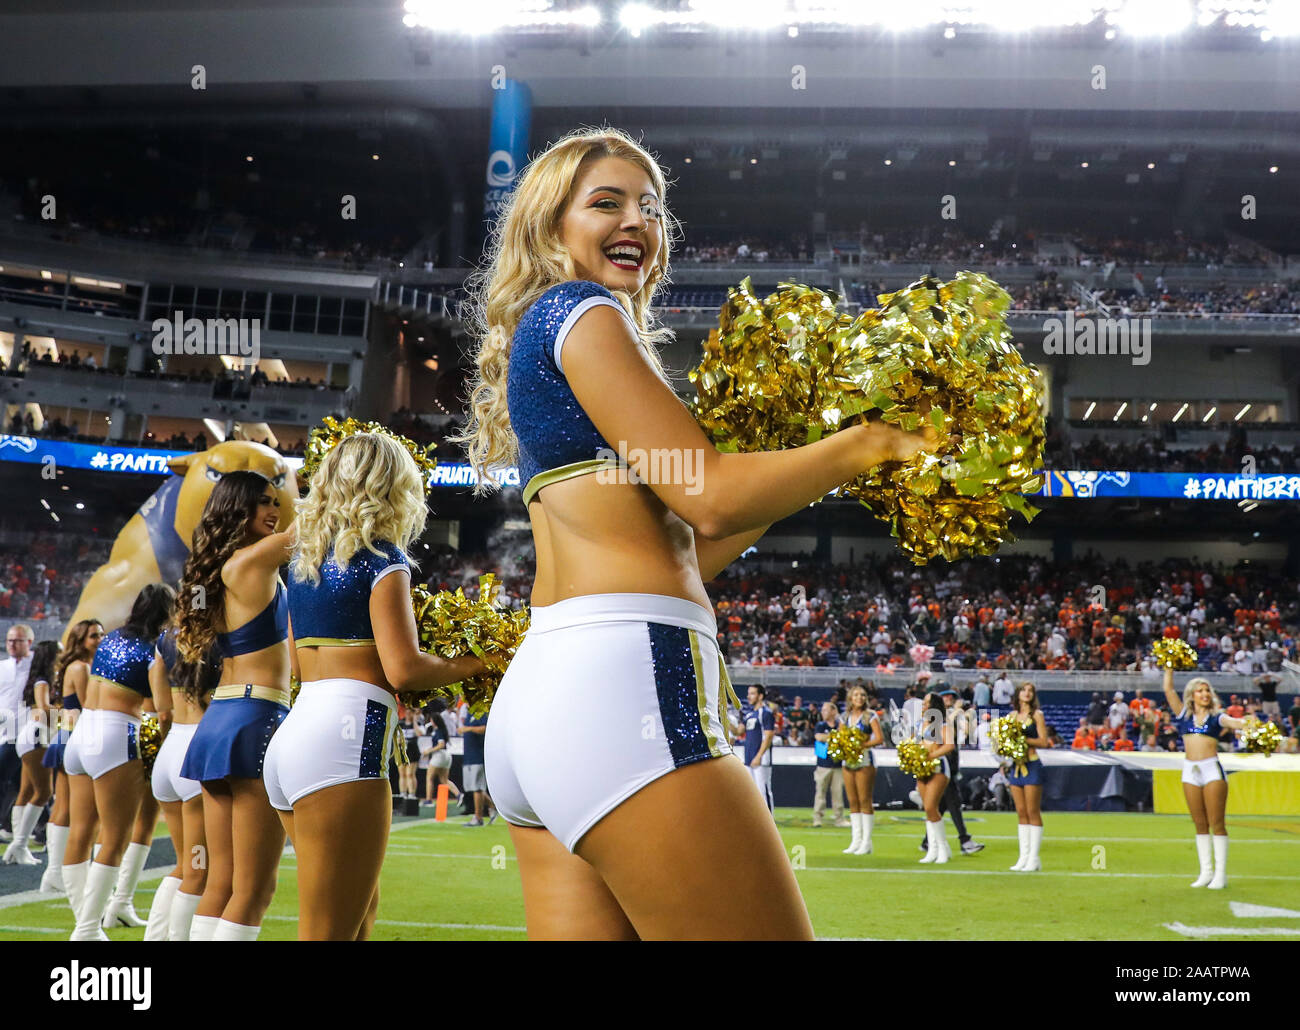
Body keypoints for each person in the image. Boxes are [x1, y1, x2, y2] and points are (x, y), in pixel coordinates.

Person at [453, 127, 938, 938]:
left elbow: (690, 544)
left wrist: (789, 470)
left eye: (651, 206)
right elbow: (709, 495)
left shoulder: (549, 330)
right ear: (549, 228)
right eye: (604, 203)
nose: (636, 220)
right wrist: (871, 441)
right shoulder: (583, 311)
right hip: (625, 686)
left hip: (544, 702)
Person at [264, 433, 483, 940]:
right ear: (394, 486)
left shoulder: (303, 563)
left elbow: (298, 666)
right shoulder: (385, 560)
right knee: (330, 930)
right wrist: (471, 665)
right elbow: (404, 670)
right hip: (344, 744)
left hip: (295, 738)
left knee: (359, 915)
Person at [177, 470, 294, 941]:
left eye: (275, 501)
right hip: (255, 719)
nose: (276, 509)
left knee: (221, 884)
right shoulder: (251, 562)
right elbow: (321, 523)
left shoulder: (224, 568)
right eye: (263, 502)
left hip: (220, 721)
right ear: (236, 510)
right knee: (254, 890)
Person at [70, 583, 175, 940]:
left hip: (84, 730)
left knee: (82, 832)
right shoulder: (154, 649)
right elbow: (162, 711)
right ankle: (86, 929)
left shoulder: (111, 637)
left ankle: (88, 923)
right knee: (115, 837)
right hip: (117, 733)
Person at [141, 625, 215, 941]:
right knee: (199, 872)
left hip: (169, 754)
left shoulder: (164, 638)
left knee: (184, 866)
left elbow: (161, 708)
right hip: (195, 756)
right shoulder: (218, 633)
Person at [1162, 668, 1248, 889]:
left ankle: (1220, 874)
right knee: (1199, 823)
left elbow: (1235, 722)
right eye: (1199, 691)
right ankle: (1205, 872)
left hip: (1212, 770)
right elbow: (1168, 689)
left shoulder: (1217, 717)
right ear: (1191, 695)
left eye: (1207, 690)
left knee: (1216, 823)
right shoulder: (1183, 715)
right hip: (1190, 770)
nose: (1204, 694)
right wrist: (1169, 667)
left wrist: (1248, 723)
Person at [50, 620, 104, 913]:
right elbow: (88, 706)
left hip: (70, 735)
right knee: (66, 808)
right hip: (75, 736)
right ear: (80, 639)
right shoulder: (81, 668)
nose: (100, 639)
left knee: (65, 807)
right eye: (94, 635)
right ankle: (56, 873)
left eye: (101, 634)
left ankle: (54, 873)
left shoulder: (82, 665)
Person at [3, 640, 58, 865]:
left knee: (26, 792)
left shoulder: (42, 678)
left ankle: (18, 847)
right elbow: (44, 709)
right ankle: (19, 844)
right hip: (37, 735)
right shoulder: (43, 679)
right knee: (44, 792)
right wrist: (71, 712)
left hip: (31, 735)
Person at [919, 690, 984, 857]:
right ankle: (950, 842)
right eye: (946, 696)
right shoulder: (929, 720)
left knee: (943, 804)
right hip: (931, 767)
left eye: (952, 697)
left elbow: (964, 733)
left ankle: (936, 843)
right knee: (941, 805)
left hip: (946, 766)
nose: (949, 699)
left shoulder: (949, 717)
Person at [1007, 681, 1049, 872]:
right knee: (1021, 812)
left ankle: (1034, 857)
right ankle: (1023, 857)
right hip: (1015, 767)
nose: (1027, 693)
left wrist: (1023, 739)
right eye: (1024, 690)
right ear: (1017, 694)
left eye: (1030, 691)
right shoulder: (1011, 716)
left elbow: (1044, 741)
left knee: (1033, 811)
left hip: (1032, 765)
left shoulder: (1037, 715)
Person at [0, 624, 35, 844]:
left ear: (29, 643)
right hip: (6, 732)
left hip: (29, 732)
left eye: (18, 640)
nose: (12, 644)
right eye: (10, 640)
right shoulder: (2, 666)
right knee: (12, 780)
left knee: (25, 783)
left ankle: (28, 826)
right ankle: (10, 825)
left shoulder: (37, 666)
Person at [839, 684, 882, 855]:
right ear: (850, 698)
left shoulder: (870, 716)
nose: (860, 698)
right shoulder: (844, 717)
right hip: (848, 761)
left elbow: (879, 739)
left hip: (865, 760)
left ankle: (867, 841)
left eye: (863, 695)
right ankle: (855, 840)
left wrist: (861, 745)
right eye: (856, 695)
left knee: (865, 799)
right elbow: (841, 737)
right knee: (853, 800)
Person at [916, 692, 956, 864]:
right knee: (927, 809)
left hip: (939, 767)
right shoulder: (921, 723)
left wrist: (931, 756)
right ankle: (933, 850)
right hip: (922, 768)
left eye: (926, 702)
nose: (923, 705)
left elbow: (949, 745)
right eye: (923, 702)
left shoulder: (943, 723)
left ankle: (942, 848)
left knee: (932, 807)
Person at [737, 684, 775, 812]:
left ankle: (770, 822)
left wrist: (759, 756)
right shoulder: (749, 714)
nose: (748, 696)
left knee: (763, 791)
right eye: (749, 693)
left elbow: (769, 736)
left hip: (761, 759)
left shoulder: (765, 713)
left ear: (760, 696)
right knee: (752, 793)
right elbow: (738, 731)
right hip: (749, 758)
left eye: (752, 693)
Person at [811, 701, 847, 829]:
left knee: (838, 794)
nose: (823, 712)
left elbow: (844, 738)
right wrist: (835, 736)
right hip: (823, 765)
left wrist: (832, 737)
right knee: (820, 792)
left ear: (833, 712)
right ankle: (817, 818)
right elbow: (819, 737)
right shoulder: (820, 725)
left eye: (826, 710)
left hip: (837, 765)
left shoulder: (840, 725)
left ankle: (839, 818)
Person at [420, 707, 460, 807]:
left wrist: (428, 751)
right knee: (444, 780)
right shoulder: (441, 730)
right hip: (446, 755)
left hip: (439, 755)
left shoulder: (438, 731)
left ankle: (428, 800)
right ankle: (458, 794)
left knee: (429, 778)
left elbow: (441, 744)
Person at [460, 711, 494, 825]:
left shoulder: (480, 713)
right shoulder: (469, 713)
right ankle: (493, 807)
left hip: (477, 756)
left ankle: (478, 818)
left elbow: (486, 728)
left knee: (477, 789)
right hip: (469, 756)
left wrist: (468, 729)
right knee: (474, 788)